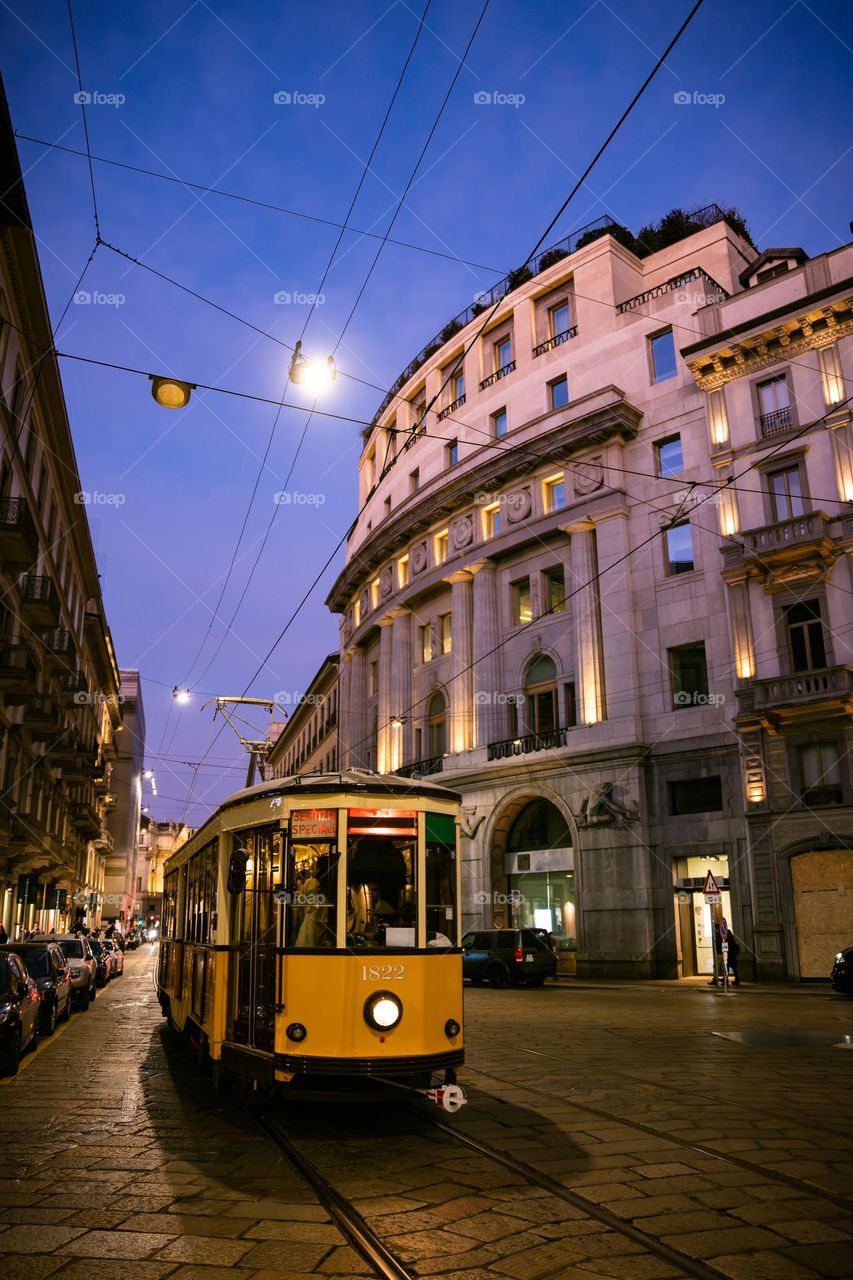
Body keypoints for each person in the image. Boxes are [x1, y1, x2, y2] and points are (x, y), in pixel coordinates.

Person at [708, 920, 726, 986]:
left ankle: (715, 980)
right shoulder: (723, 935)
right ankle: (725, 979)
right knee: (722, 967)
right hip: (722, 953)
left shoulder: (718, 935)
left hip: (718, 953)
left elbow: (719, 944)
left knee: (716, 967)